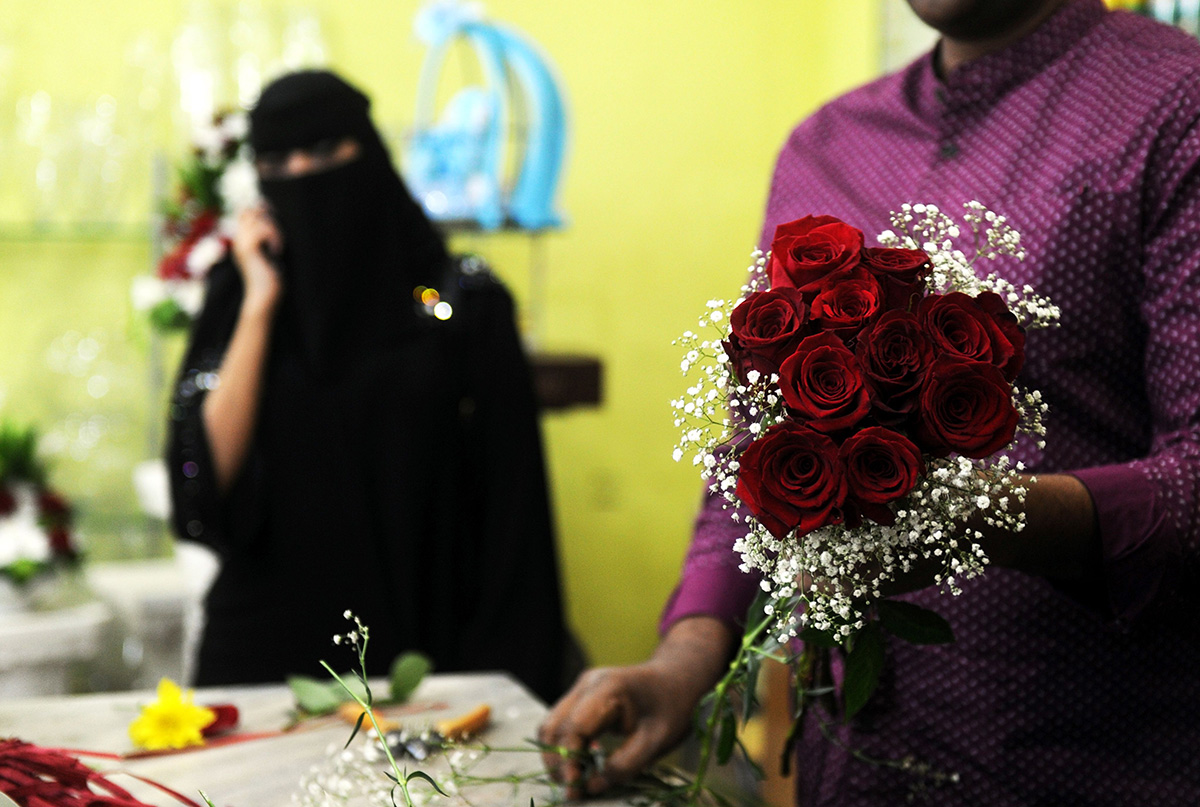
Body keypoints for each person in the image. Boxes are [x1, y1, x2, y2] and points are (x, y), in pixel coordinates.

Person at [541, 0, 1200, 803]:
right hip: (850, 758)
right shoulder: (828, 143)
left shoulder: (1175, 105)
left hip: (1084, 759)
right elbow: (758, 444)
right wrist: (686, 658)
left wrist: (988, 518)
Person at [166, 70, 578, 703]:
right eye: (277, 160)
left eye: (325, 151)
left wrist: (510, 680)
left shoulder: (463, 305)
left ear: (369, 150)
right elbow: (202, 487)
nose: (302, 173)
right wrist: (259, 304)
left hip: (424, 666)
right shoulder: (239, 290)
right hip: (258, 669)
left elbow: (514, 515)